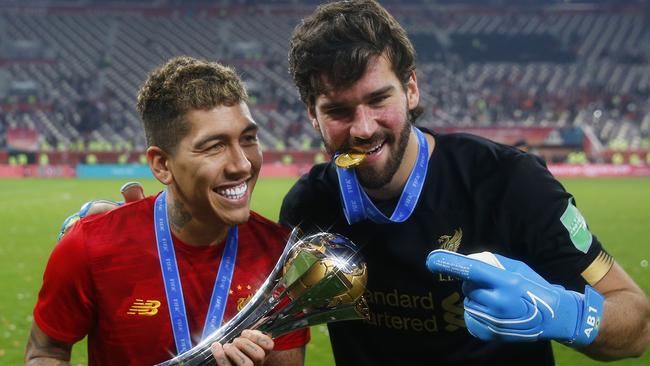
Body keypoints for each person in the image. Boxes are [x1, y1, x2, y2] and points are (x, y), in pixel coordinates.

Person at [280, 1, 650, 365]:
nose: (363, 128)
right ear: (313, 115)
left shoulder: (510, 182)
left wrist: (562, 314)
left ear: (411, 89)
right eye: (338, 110)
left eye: (379, 100)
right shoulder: (307, 208)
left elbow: (637, 323)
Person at [26, 57, 309, 366]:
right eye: (214, 146)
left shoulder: (279, 255)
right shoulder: (90, 245)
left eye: (248, 139)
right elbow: (46, 352)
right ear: (162, 164)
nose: (242, 164)